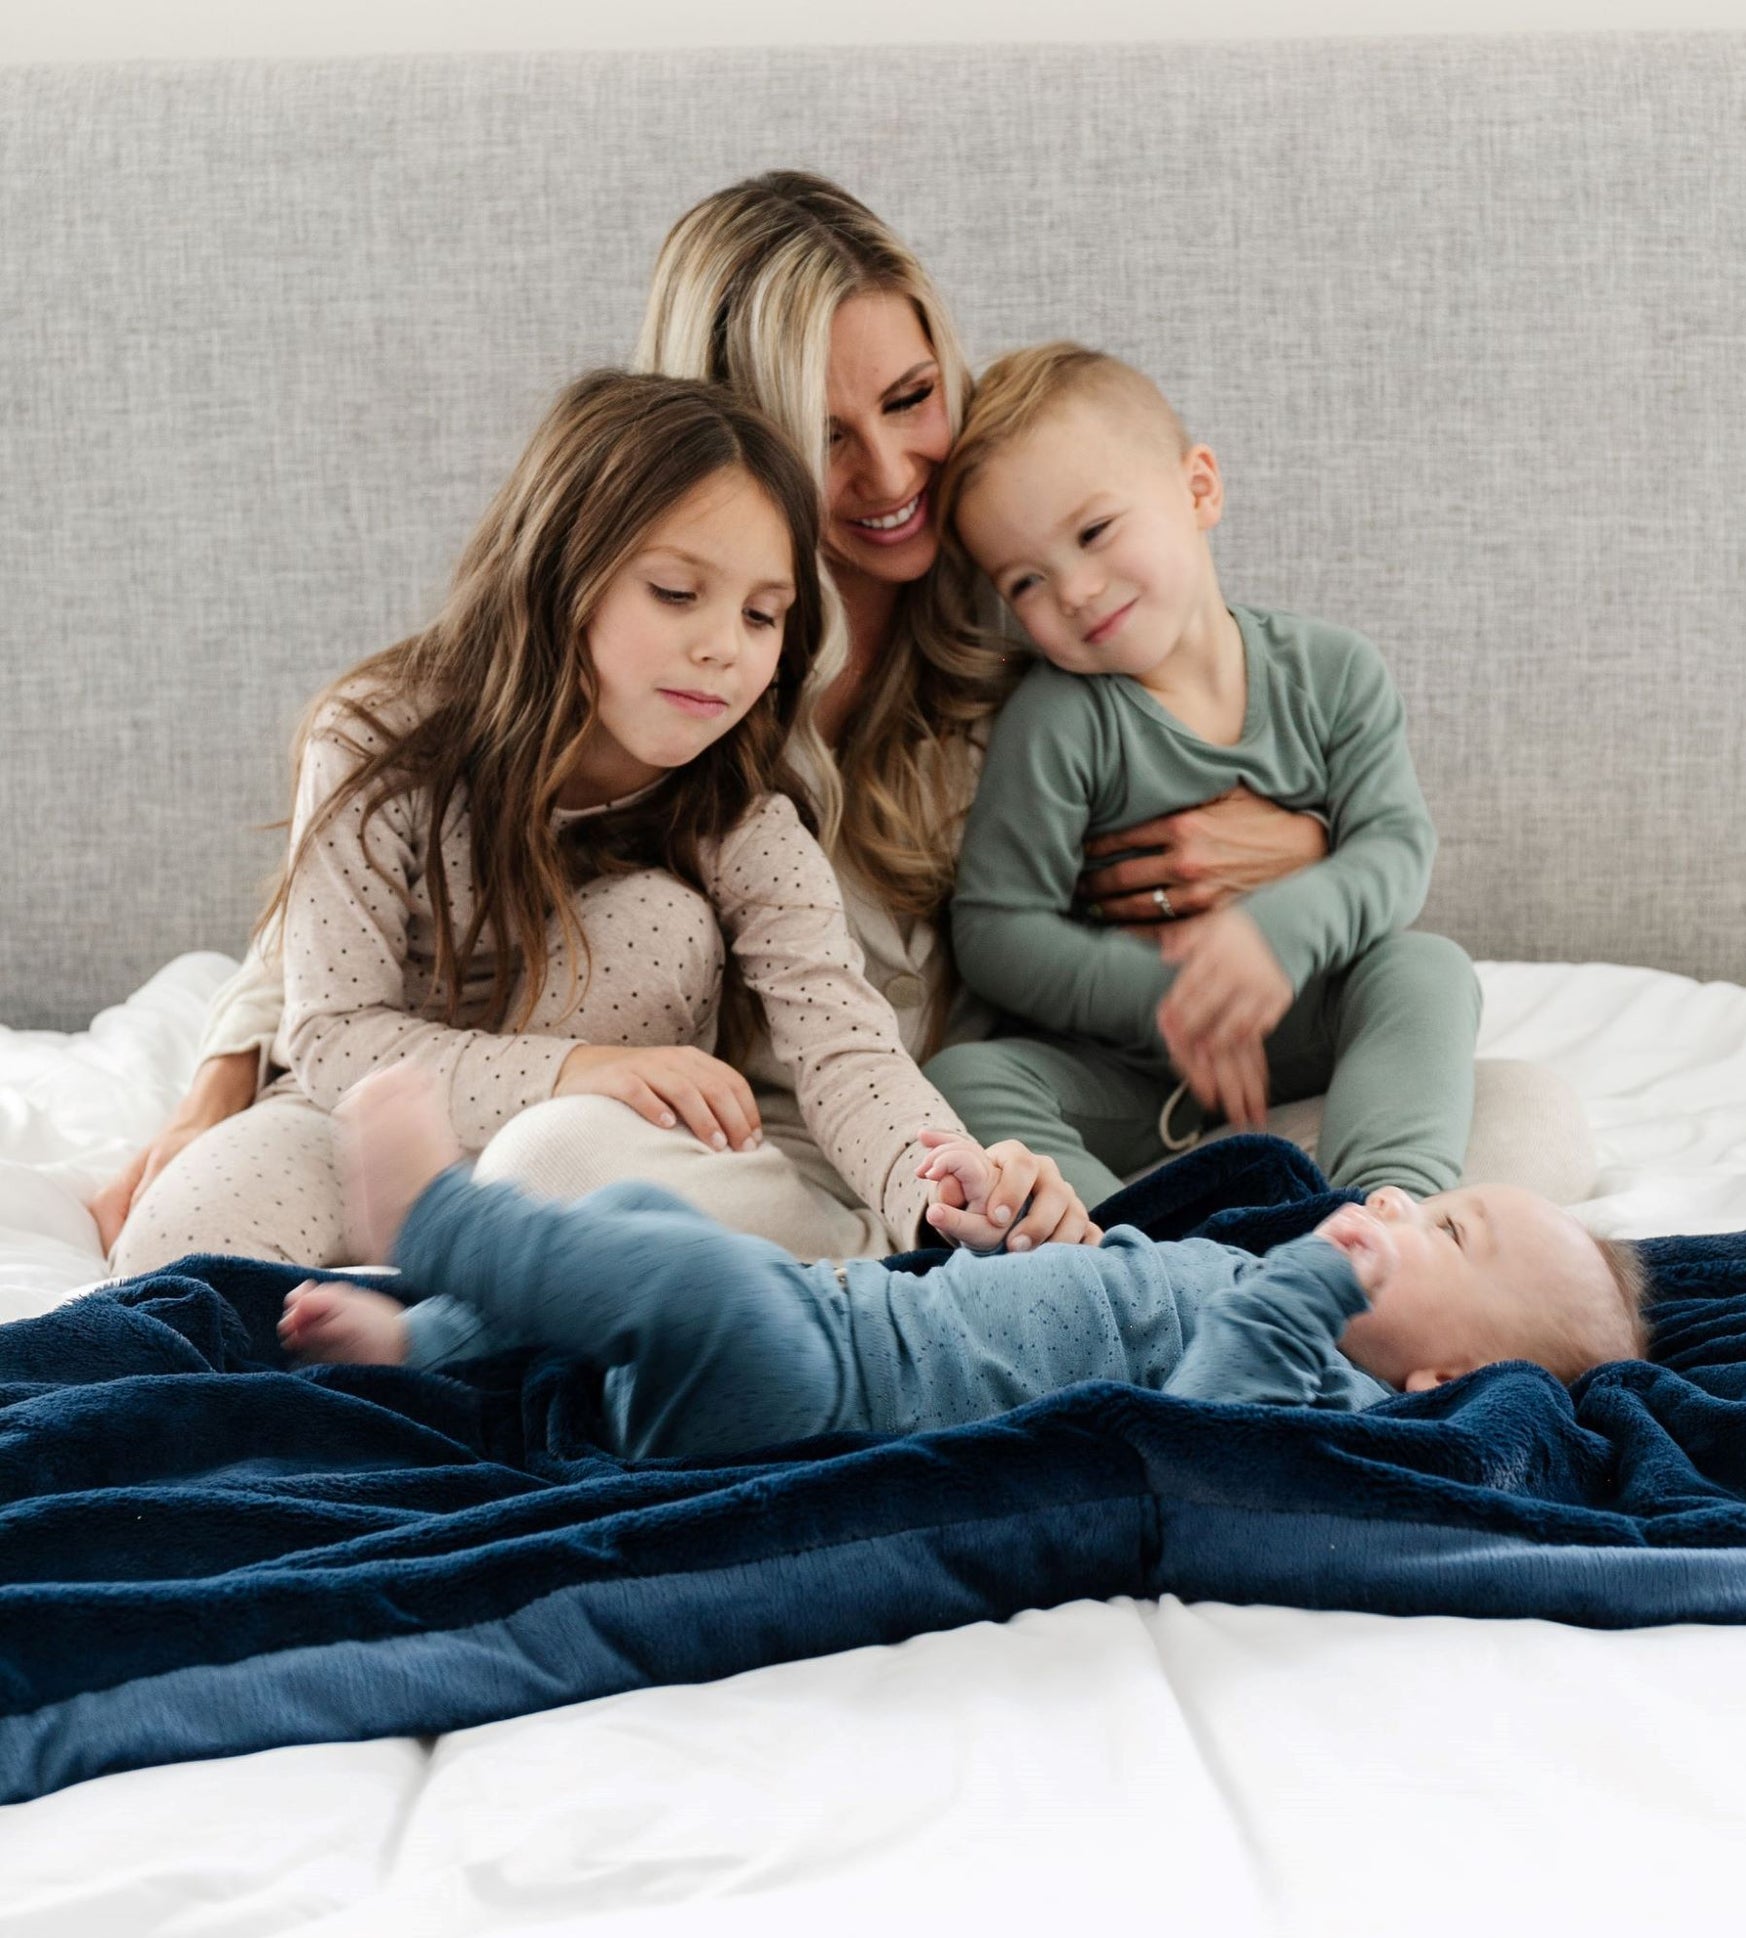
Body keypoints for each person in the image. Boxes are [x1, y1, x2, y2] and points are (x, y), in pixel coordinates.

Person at [93, 173, 1584, 1263]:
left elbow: (1218, 714)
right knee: (560, 1164)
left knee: (1522, 1123)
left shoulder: (1029, 625)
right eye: (821, 433)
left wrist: (1299, 851)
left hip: (974, 1121)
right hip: (747, 1130)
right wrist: (227, 1079)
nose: (887, 473)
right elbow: (386, 840)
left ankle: (1203, 1245)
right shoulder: (679, 691)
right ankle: (1118, 1255)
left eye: (914, 399)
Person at [105, 371, 1097, 1275]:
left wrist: (944, 1186)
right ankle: (418, 1314)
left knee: (565, 1131)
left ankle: (836, 1265)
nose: (722, 648)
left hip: (610, 1161)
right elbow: (329, 1033)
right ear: (557, 572)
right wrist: (580, 1067)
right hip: (367, 1127)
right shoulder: (378, 736)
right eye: (676, 593)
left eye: (762, 616)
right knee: (178, 1242)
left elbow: (847, 1052)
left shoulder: (740, 816)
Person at [278, 1064, 1648, 1461]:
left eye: (1446, 1231)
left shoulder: (1322, 1400)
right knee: (658, 1229)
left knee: (695, 1287)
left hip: (807, 1402)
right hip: (833, 1314)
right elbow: (1104, 1297)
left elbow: (1199, 1425)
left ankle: (441, 1226)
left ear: (1445, 1372)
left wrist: (1313, 1283)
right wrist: (986, 1235)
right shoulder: (1241, 1282)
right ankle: (439, 1336)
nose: (1401, 1201)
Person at [925, 342, 1482, 1210]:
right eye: (1026, 580)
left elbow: (1397, 846)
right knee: (966, 1075)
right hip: (1139, 1072)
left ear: (1199, 489)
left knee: (1428, 971)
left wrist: (1277, 935)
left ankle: (1387, 1212)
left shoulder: (1334, 673)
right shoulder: (1061, 717)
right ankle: (1140, 1255)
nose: (1072, 590)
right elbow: (997, 931)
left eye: (1095, 532)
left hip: (1311, 1026)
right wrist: (1172, 999)